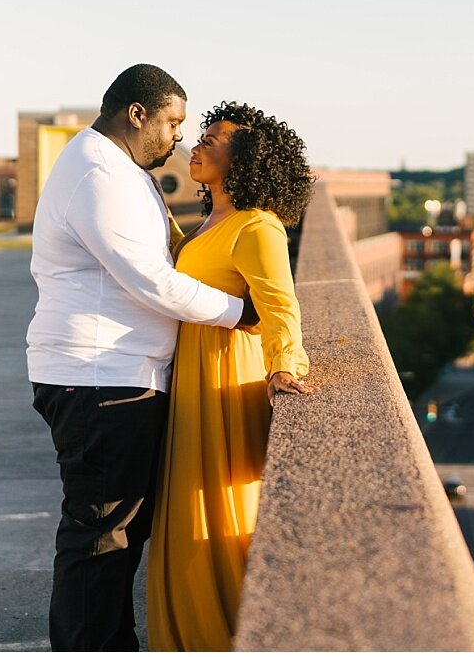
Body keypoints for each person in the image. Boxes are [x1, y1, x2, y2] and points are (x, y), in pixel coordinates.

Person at [26, 64, 256, 652]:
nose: (179, 137)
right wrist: (241, 311)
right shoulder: (99, 172)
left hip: (114, 377)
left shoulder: (118, 169)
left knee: (117, 535)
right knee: (101, 538)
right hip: (99, 381)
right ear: (137, 113)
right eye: (173, 122)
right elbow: (152, 281)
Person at [146, 101, 315, 651]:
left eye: (213, 140)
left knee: (215, 519)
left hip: (221, 379)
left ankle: (227, 638)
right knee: (186, 514)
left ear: (244, 162)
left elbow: (279, 306)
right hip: (193, 376)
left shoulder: (258, 225)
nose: (197, 145)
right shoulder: (212, 221)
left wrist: (283, 366)